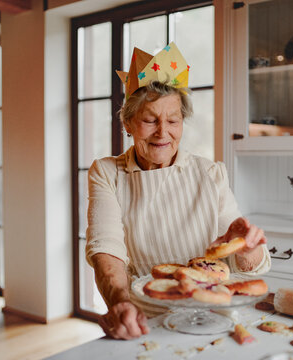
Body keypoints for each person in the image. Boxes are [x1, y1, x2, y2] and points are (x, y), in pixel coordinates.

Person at [86, 43, 271, 340]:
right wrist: (120, 302)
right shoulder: (108, 173)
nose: (163, 132)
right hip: (146, 319)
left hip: (215, 320)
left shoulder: (210, 174)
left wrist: (246, 246)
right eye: (150, 120)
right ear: (128, 123)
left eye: (173, 120)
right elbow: (106, 249)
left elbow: (246, 267)